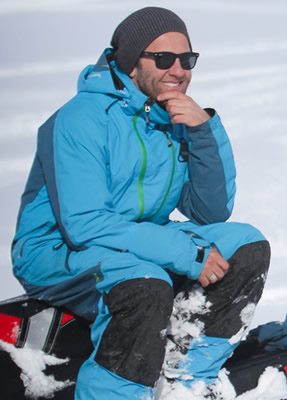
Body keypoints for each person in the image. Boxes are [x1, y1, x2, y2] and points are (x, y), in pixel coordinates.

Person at [11, 7, 270, 399]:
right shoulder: (80, 119)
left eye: (187, 59)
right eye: (164, 59)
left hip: (135, 240)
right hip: (56, 250)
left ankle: (186, 381)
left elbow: (210, 211)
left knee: (246, 247)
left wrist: (203, 131)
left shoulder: (168, 115)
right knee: (144, 284)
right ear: (132, 62)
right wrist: (182, 251)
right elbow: (84, 223)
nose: (178, 70)